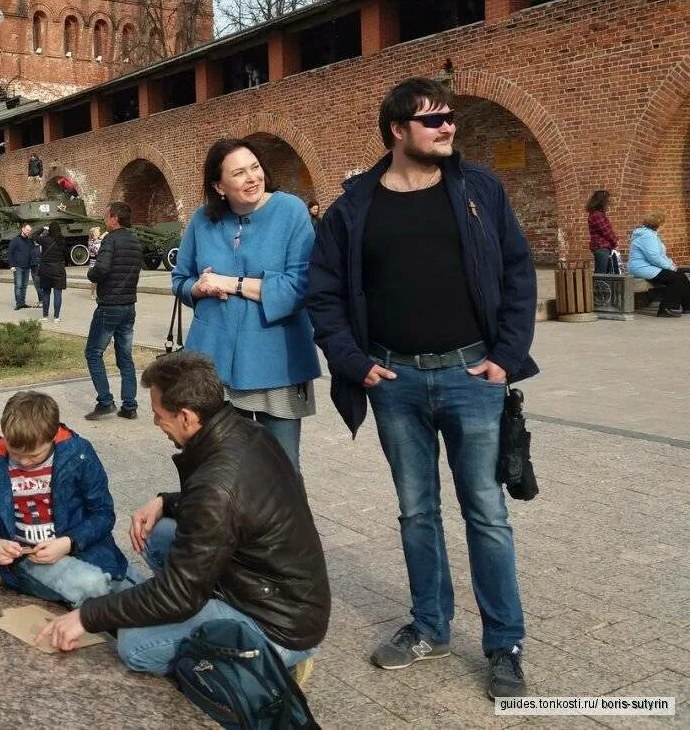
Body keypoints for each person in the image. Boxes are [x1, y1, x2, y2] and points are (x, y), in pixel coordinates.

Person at [306, 77, 538, 700]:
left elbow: (518, 273)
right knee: (416, 512)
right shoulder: (355, 206)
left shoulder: (479, 189)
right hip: (395, 380)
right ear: (397, 131)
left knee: (487, 514)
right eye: (431, 119)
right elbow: (323, 295)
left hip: (472, 377)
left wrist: (507, 358)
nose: (446, 127)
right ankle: (431, 626)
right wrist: (353, 363)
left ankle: (504, 644)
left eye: (449, 117)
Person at [37, 352, 330, 680]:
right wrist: (166, 501)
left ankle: (265, 665)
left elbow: (178, 594)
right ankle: (215, 622)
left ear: (188, 417)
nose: (156, 423)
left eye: (159, 415)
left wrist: (87, 617)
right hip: (277, 593)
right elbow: (237, 506)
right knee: (157, 533)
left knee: (134, 645)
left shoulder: (216, 486)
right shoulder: (244, 431)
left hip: (277, 625)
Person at [172, 138, 321, 471]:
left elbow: (300, 286)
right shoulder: (202, 220)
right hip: (214, 362)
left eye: (255, 167)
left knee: (281, 468)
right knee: (221, 468)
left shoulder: (291, 211)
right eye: (239, 173)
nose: (253, 178)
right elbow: (180, 281)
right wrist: (197, 288)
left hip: (276, 359)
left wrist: (230, 283)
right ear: (219, 185)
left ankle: (286, 526)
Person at [0, 390, 131, 608]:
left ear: (52, 437)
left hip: (80, 547)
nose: (24, 462)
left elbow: (103, 513)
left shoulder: (78, 454)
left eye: (34, 455)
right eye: (15, 453)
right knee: (91, 586)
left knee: (136, 592)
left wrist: (69, 543)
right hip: (27, 559)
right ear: (4, 434)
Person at [84, 202, 142, 420]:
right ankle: (130, 405)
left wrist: (91, 273)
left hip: (110, 306)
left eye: (106, 215)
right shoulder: (135, 241)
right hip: (129, 306)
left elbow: (102, 268)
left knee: (93, 352)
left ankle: (106, 401)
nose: (104, 218)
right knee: (125, 357)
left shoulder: (110, 239)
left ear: (115, 218)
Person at [628, 211, 689, 318]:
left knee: (681, 274)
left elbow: (660, 255)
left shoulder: (651, 234)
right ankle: (666, 308)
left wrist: (671, 264)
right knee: (675, 279)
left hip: (650, 266)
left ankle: (688, 306)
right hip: (642, 268)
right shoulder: (647, 236)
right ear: (658, 224)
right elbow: (654, 257)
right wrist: (670, 267)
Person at [36, 223, 68, 322]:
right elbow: (66, 255)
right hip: (58, 268)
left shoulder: (45, 240)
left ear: (50, 230)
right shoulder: (62, 240)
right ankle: (56, 317)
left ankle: (45, 316)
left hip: (46, 269)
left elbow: (33, 236)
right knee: (58, 294)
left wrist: (42, 228)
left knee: (46, 293)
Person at [586, 190, 618, 275]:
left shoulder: (598, 214)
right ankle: (596, 288)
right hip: (601, 247)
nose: (608, 203)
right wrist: (615, 241)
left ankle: (601, 288)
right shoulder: (597, 215)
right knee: (601, 274)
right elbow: (606, 231)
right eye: (607, 200)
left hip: (603, 247)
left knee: (604, 273)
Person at [8, 223, 35, 310]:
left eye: (30, 231)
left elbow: (33, 252)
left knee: (24, 286)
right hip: (18, 267)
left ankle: (23, 302)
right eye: (27, 230)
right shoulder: (15, 240)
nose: (29, 232)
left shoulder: (30, 241)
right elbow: (10, 253)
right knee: (18, 285)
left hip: (27, 267)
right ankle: (18, 303)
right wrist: (11, 266)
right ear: (22, 229)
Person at [87, 226, 103, 301]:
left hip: (99, 262)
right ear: (94, 234)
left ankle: (98, 294)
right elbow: (96, 251)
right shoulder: (91, 242)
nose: (99, 233)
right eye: (98, 232)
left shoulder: (99, 241)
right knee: (94, 281)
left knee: (99, 280)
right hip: (93, 264)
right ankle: (92, 294)